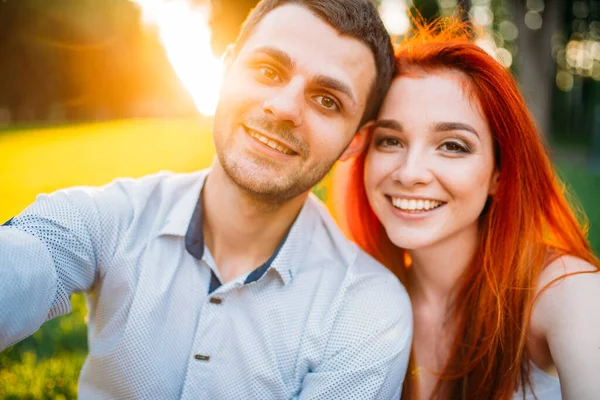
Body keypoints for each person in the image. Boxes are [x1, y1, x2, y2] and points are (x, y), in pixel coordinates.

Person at [0, 1, 413, 398]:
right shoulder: (114, 217)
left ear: (354, 141)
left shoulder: (367, 312)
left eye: (328, 100)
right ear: (226, 68)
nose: (284, 107)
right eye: (268, 70)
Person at [335, 16, 600, 400]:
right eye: (390, 140)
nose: (410, 173)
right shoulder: (355, 300)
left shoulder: (564, 288)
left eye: (453, 145)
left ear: (499, 173)